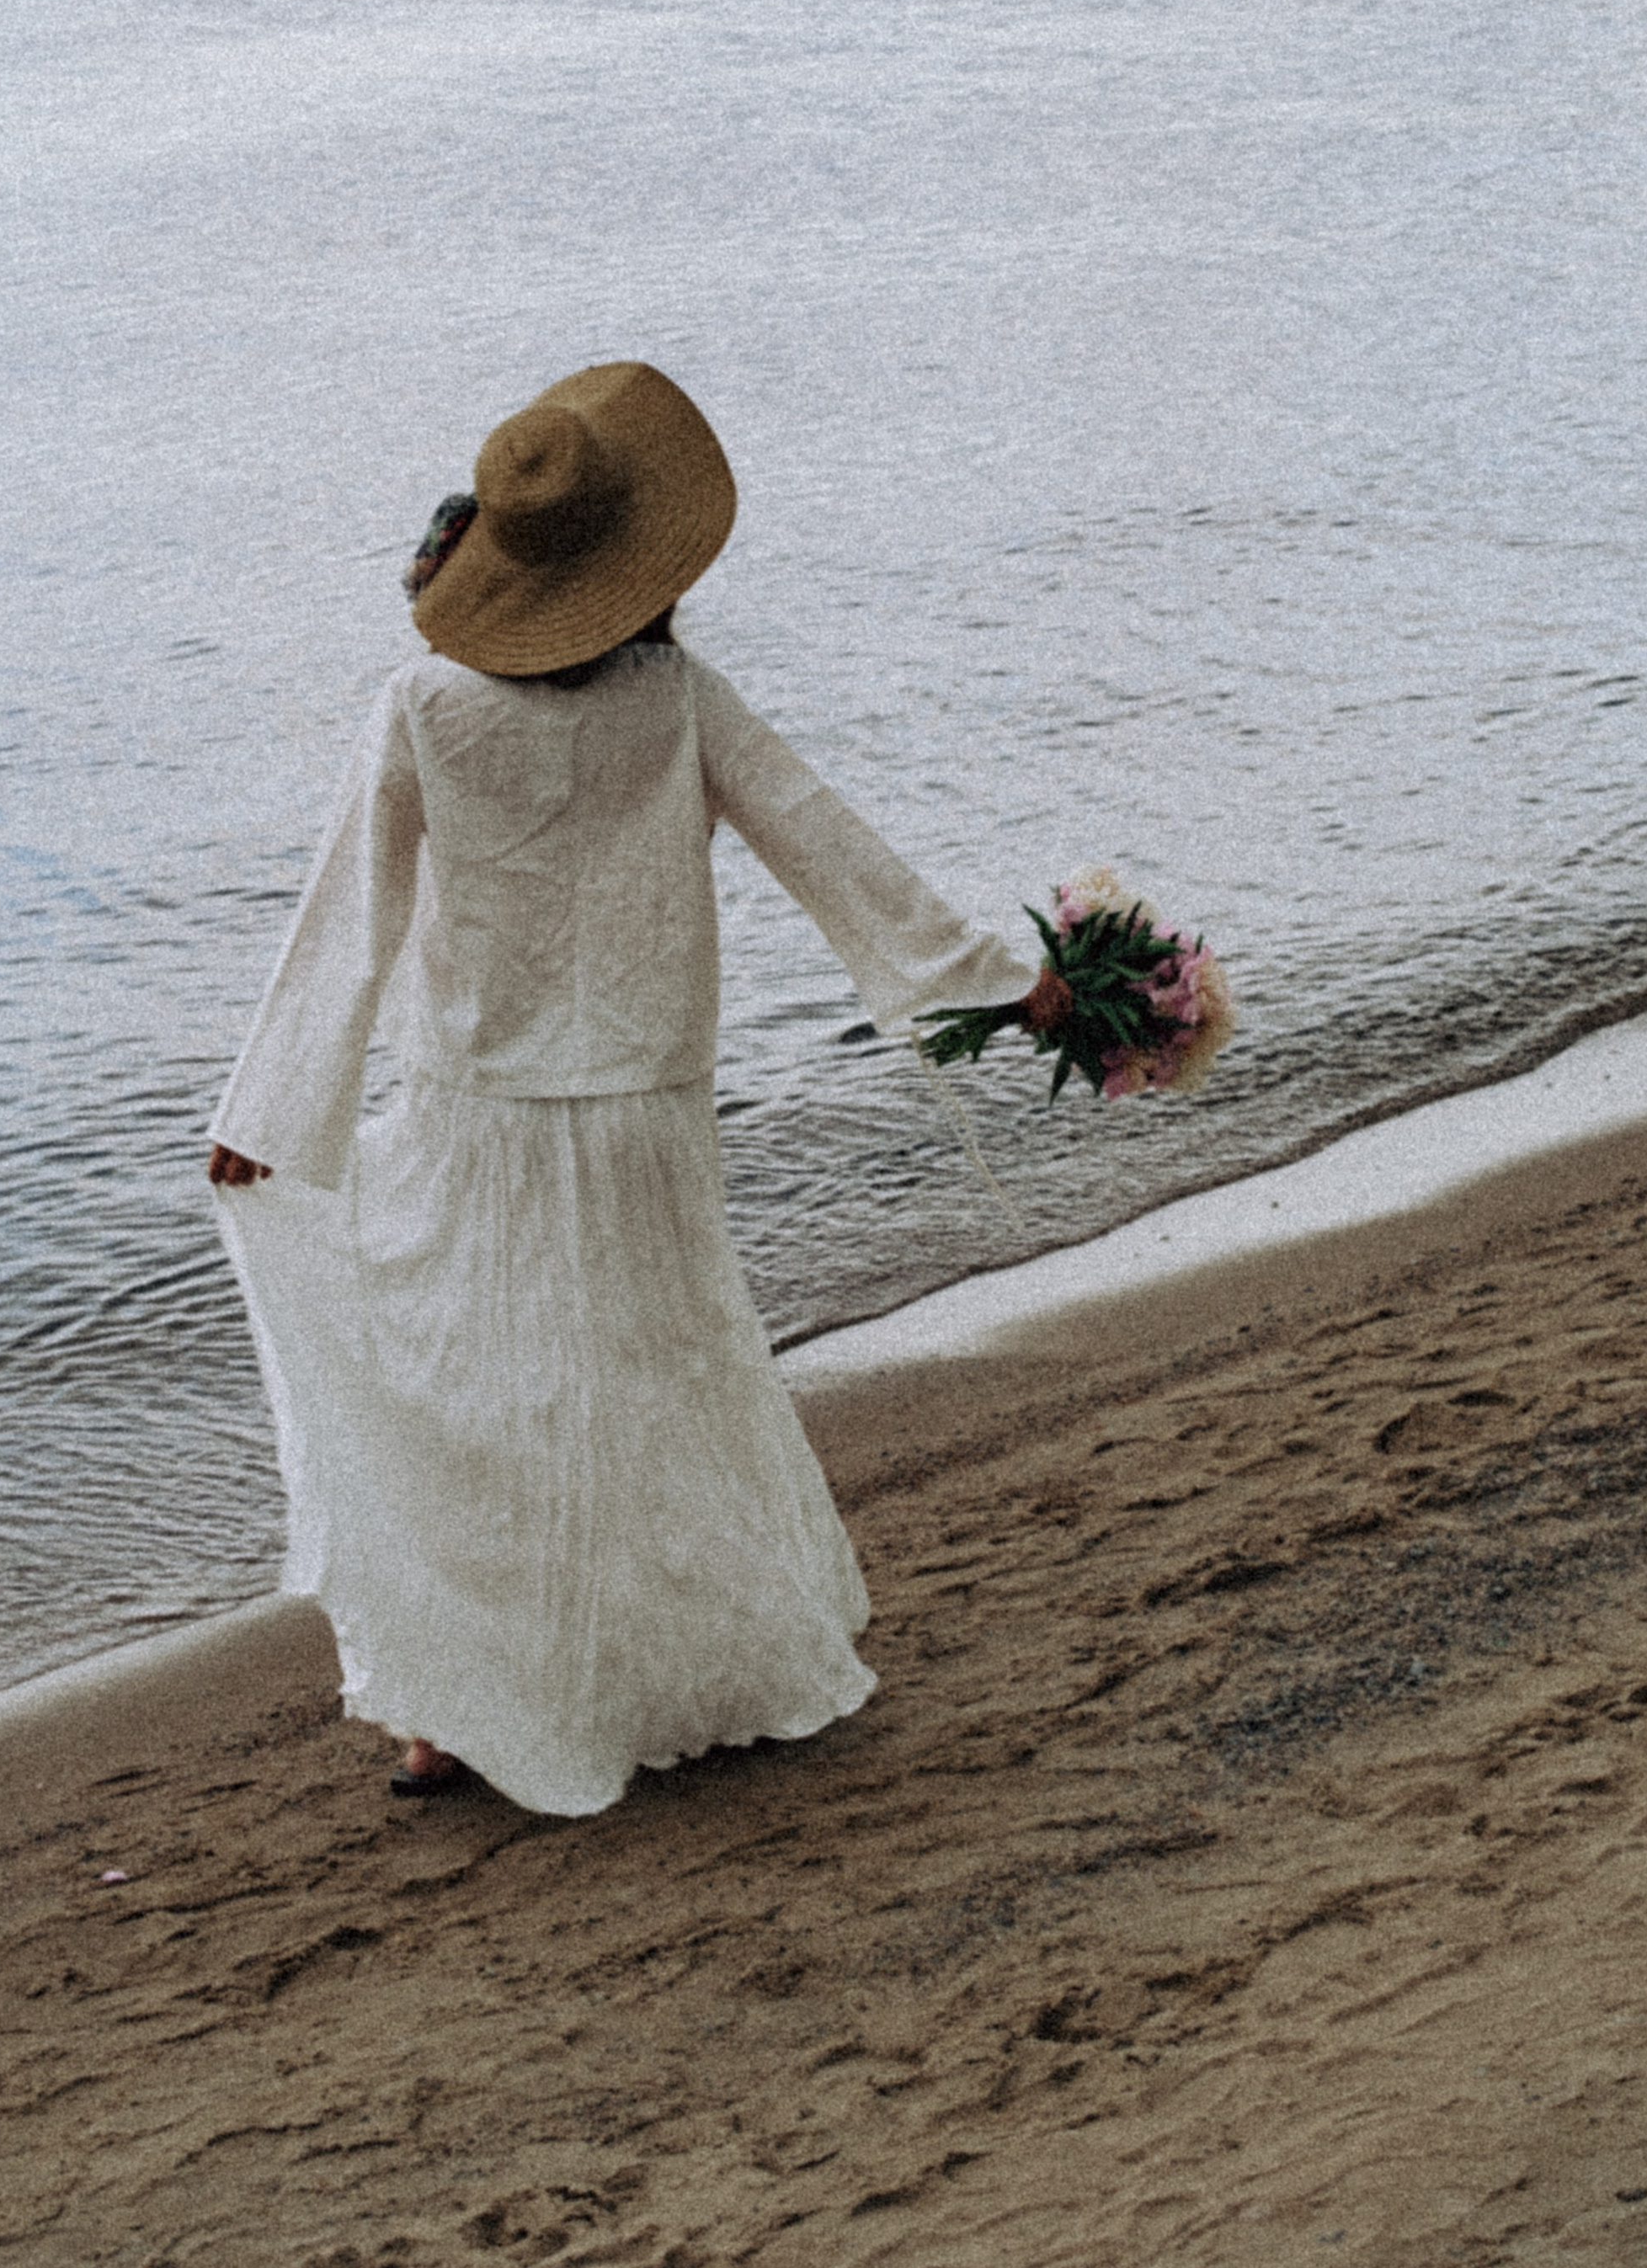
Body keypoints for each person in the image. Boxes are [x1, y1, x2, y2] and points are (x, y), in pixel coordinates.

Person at [206, 360, 1037, 1814]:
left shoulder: (422, 707)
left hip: (481, 1112)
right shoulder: (676, 699)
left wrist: (271, 1112)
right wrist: (992, 979)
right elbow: (828, 846)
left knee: (483, 1396)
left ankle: (453, 1716)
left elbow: (351, 912)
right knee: (664, 1386)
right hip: (646, 1106)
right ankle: (697, 1672)